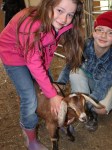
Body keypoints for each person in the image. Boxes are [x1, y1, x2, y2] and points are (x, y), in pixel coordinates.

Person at [0, 0, 84, 149]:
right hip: (13, 54)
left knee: (52, 90)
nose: (64, 19)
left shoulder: (60, 25)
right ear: (48, 5)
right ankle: (30, 138)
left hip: (34, 54)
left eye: (70, 14)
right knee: (30, 97)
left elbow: (47, 51)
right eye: (60, 11)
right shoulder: (32, 24)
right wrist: (51, 94)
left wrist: (49, 88)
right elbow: (33, 62)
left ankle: (60, 119)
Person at [57, 11, 112, 132]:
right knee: (75, 71)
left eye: (110, 33)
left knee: (102, 109)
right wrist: (60, 83)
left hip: (106, 84)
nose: (103, 35)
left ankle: (89, 113)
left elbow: (102, 88)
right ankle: (85, 110)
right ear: (93, 32)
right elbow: (70, 64)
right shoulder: (84, 45)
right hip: (88, 78)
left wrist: (80, 108)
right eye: (100, 29)